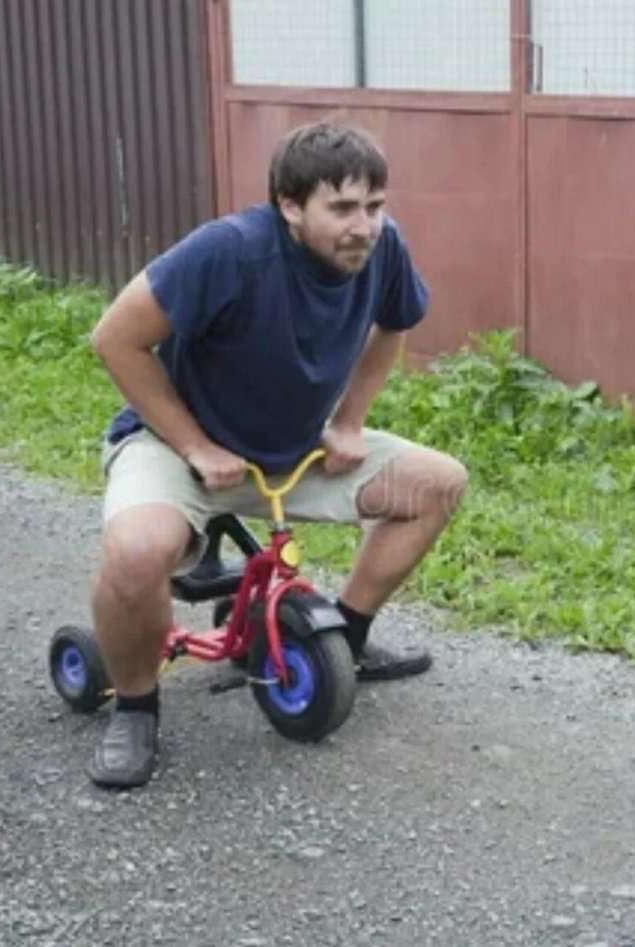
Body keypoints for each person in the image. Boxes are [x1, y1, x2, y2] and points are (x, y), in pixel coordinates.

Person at [88, 121, 468, 789]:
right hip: (178, 449)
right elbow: (115, 338)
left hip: (292, 450)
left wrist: (349, 422)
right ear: (290, 206)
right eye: (342, 208)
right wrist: (196, 446)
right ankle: (136, 706)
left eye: (374, 205)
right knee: (137, 553)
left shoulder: (383, 247)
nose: (364, 226)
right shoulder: (229, 251)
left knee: (438, 484)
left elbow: (394, 324)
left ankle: (343, 640)